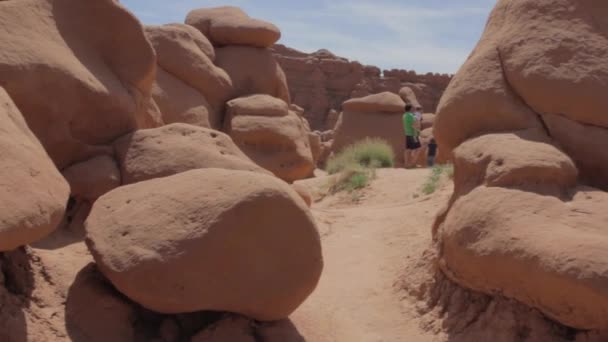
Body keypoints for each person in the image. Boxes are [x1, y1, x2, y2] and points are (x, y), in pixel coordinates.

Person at [402, 104, 421, 168]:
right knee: (417, 149)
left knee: (408, 149)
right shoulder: (410, 116)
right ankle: (413, 164)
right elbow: (413, 125)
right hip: (413, 134)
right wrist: (418, 131)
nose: (413, 109)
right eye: (412, 108)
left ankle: (406, 164)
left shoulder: (404, 115)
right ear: (410, 109)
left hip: (407, 134)